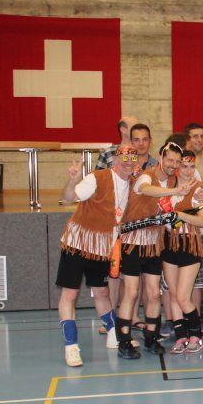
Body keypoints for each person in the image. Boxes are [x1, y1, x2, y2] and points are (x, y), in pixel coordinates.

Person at [56, 145, 136, 366]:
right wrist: (72, 180)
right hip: (77, 244)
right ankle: (71, 346)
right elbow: (69, 198)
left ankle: (113, 334)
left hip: (102, 247)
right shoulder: (97, 178)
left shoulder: (133, 185)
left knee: (102, 292)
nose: (128, 163)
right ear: (116, 160)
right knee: (70, 294)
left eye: (133, 160)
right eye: (124, 159)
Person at [117, 142, 194, 358]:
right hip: (133, 240)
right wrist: (174, 190)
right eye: (170, 160)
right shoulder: (146, 175)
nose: (173, 165)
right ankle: (123, 340)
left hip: (154, 242)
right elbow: (145, 189)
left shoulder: (173, 180)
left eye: (177, 162)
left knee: (153, 293)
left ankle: (151, 337)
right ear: (161, 158)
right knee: (132, 292)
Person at [161, 149, 203, 354]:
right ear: (176, 166)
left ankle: (196, 335)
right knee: (173, 295)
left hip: (190, 243)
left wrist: (181, 215)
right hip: (170, 243)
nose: (188, 171)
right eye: (184, 166)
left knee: (183, 296)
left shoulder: (197, 189)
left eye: (192, 166)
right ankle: (181, 336)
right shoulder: (167, 187)